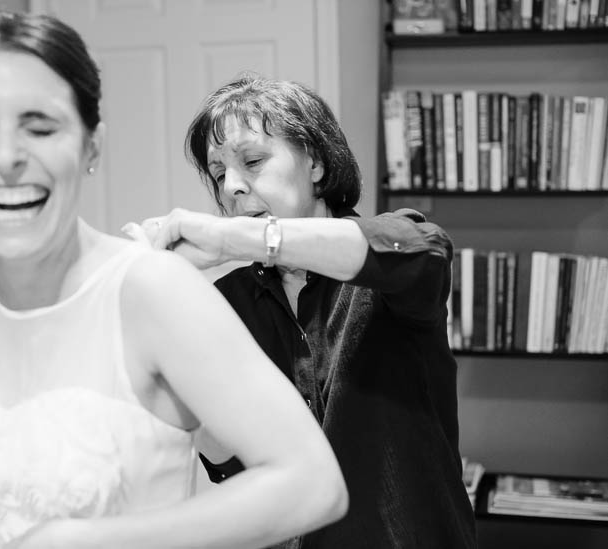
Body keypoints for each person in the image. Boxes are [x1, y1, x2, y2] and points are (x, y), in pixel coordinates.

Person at [0, 12, 347, 549]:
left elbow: (311, 484)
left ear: (91, 146)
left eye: (40, 127)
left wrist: (82, 541)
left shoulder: (155, 289)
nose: (7, 158)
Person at [128, 75, 477, 548]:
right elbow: (238, 470)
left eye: (252, 160)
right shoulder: (225, 304)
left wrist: (231, 238)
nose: (230, 186)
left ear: (314, 162)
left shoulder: (392, 251)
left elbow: (423, 251)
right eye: (217, 173)